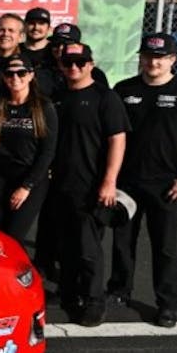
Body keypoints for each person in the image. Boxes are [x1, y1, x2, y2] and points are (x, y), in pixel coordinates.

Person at [109, 33, 177, 328]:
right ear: (141, 57)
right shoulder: (124, 89)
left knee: (164, 246)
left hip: (167, 184)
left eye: (160, 57)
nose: (154, 62)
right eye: (149, 56)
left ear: (172, 60)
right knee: (122, 241)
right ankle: (119, 289)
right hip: (127, 181)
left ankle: (167, 303)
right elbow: (114, 136)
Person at [48, 42, 129, 326]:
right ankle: (69, 293)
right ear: (60, 65)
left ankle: (95, 300)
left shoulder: (105, 98)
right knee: (66, 244)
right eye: (68, 62)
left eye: (80, 62)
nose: (74, 67)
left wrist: (109, 181)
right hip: (60, 184)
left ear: (90, 64)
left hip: (90, 185)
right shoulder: (58, 97)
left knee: (88, 247)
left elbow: (117, 140)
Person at [0, 56, 58, 245]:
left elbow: (47, 152)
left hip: (29, 179)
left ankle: (22, 274)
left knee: (14, 236)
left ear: (31, 75)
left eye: (21, 73)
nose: (15, 78)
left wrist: (26, 187)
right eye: (10, 73)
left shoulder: (44, 107)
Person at [0, 13, 25, 77]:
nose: (6, 34)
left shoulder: (27, 62)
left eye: (11, 30)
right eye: (1, 30)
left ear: (21, 36)